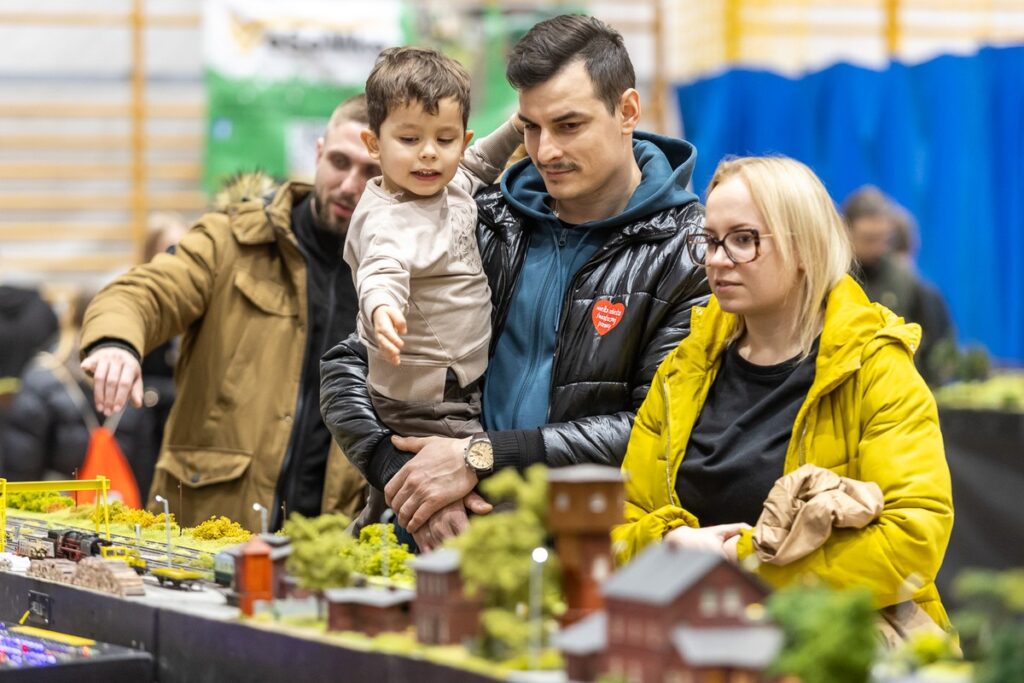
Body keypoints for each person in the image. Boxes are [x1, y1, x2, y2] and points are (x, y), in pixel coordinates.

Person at [321, 14, 709, 551]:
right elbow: (347, 365)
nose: (545, 149)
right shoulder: (480, 216)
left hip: (576, 557)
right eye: (529, 127)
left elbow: (655, 425)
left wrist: (480, 455)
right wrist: (404, 476)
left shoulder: (689, 254)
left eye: (568, 125)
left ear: (628, 111)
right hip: (427, 538)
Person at [612, 156, 954, 632]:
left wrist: (740, 561)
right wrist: (669, 546)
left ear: (803, 247)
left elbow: (913, 539)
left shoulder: (874, 368)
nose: (716, 259)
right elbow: (621, 522)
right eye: (709, 240)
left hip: (829, 645)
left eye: (744, 239)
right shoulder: (683, 369)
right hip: (691, 637)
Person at [78, 94, 379, 531]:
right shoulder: (230, 241)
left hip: (333, 540)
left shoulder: (404, 275)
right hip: (206, 532)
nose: (350, 184)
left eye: (370, 171)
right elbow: (143, 292)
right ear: (317, 154)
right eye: (339, 161)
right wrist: (116, 342)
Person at [2, 290, 161, 490]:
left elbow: (22, 461)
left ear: (68, 317)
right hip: (118, 509)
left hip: (57, 510)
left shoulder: (42, 377)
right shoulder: (128, 377)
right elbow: (144, 462)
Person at [843, 186, 954, 384]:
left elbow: (931, 345)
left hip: (896, 387)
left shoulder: (904, 278)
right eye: (868, 239)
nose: (877, 248)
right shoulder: (834, 275)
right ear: (847, 231)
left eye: (882, 239)